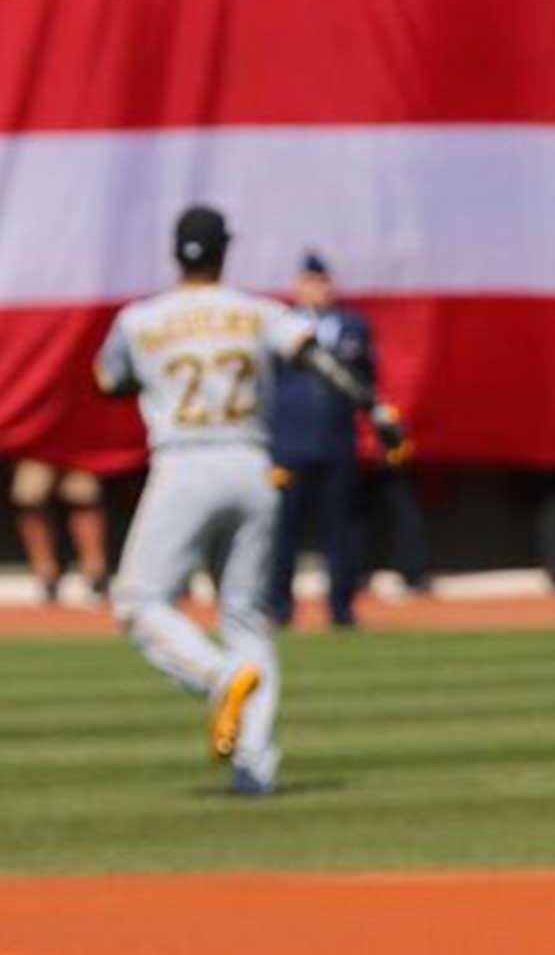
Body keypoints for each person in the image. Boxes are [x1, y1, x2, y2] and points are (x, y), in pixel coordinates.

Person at [92, 205, 404, 795]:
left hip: (184, 462)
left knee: (139, 602)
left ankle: (218, 677)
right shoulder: (256, 311)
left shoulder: (142, 318)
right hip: (252, 464)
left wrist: (152, 377)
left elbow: (107, 382)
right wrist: (376, 410)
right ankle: (255, 765)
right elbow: (320, 361)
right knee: (245, 614)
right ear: (223, 251)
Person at [264, 252, 385, 630]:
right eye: (309, 282)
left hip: (336, 442)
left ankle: (342, 608)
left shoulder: (353, 327)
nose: (316, 290)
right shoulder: (279, 326)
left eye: (322, 282)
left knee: (341, 529)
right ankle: (280, 608)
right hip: (289, 443)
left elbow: (367, 381)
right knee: (283, 530)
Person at [11, 454, 110, 608]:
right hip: (37, 445)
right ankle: (46, 581)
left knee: (84, 498)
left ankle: (96, 580)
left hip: (78, 445)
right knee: (29, 498)